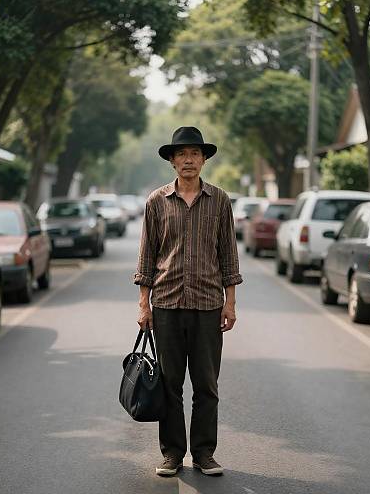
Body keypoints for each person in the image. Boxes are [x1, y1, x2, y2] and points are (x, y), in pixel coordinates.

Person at [133, 126, 242, 477]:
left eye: (195, 153)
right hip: (166, 303)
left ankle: (204, 454)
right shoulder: (156, 202)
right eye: (182, 154)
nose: (189, 160)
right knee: (170, 385)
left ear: (204, 159)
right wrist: (143, 304)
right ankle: (172, 455)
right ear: (172, 161)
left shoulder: (220, 200)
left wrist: (230, 302)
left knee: (207, 386)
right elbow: (147, 256)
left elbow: (228, 253)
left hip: (209, 304)